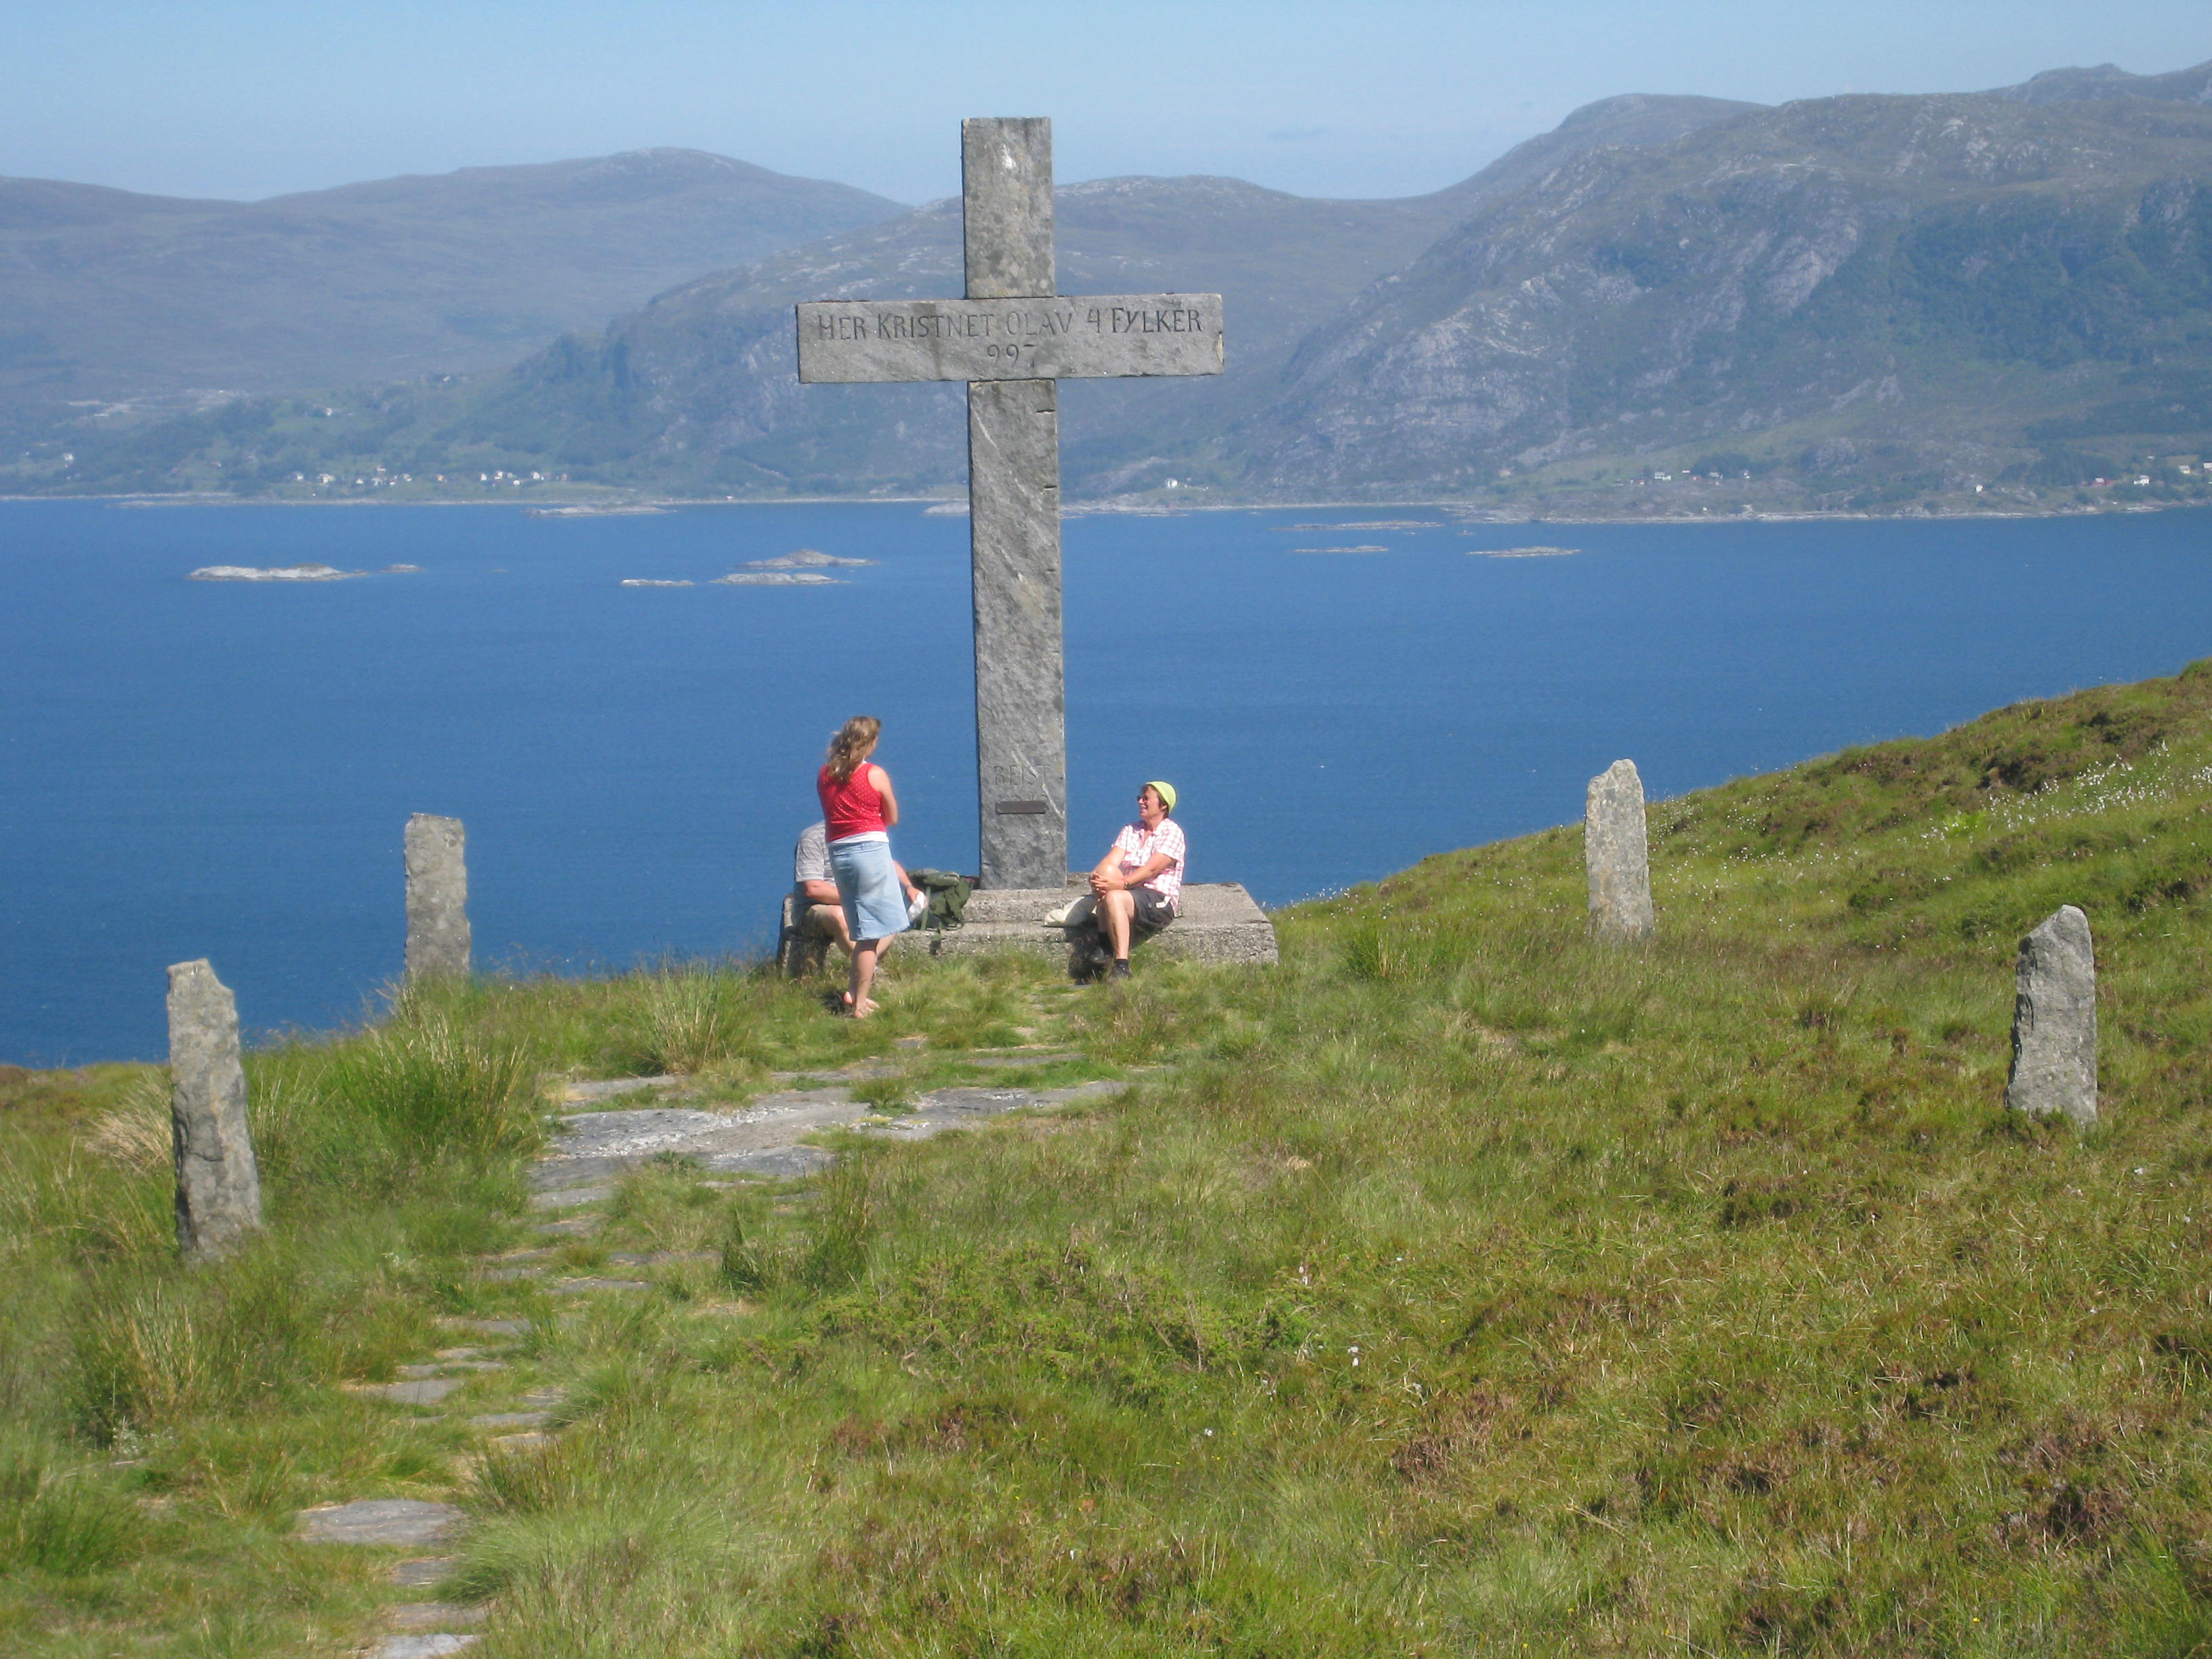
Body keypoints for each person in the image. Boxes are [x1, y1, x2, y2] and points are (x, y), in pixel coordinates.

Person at [817, 716, 909, 1018]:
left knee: (861, 925)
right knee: (875, 932)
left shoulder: (825, 774)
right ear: (870, 742)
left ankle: (854, 989)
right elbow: (892, 817)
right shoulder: (874, 773)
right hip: (870, 850)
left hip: (839, 853)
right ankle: (859, 1003)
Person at [1083, 780, 1185, 980]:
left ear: (1163, 805)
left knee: (1114, 898)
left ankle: (1120, 963)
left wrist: (1121, 885)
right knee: (1105, 872)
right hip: (1131, 892)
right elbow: (1112, 859)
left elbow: (1152, 869)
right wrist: (1097, 876)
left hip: (1157, 898)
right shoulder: (1131, 830)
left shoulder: (1172, 832)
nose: (1141, 802)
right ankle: (1105, 947)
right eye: (1140, 798)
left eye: (1146, 799)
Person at [793, 820, 923, 958]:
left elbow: (887, 864)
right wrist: (859, 900)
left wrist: (909, 887)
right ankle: (867, 968)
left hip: (859, 901)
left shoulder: (864, 833)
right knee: (839, 915)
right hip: (817, 908)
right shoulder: (812, 838)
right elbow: (814, 889)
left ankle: (867, 965)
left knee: (897, 907)